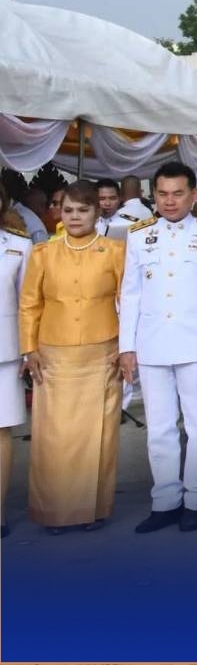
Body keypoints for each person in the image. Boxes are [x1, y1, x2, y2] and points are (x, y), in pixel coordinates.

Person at [119, 162, 197, 533]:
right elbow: (130, 295)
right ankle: (165, 500)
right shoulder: (138, 236)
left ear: (193, 194)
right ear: (155, 195)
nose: (169, 201)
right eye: (163, 194)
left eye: (177, 193)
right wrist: (127, 347)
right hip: (151, 344)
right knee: (160, 428)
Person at [17, 181, 124, 534]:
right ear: (58, 213)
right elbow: (30, 304)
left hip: (102, 352)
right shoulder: (43, 254)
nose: (75, 217)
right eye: (68, 210)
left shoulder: (114, 252)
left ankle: (94, 509)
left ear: (97, 212)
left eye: (83, 210)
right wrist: (28, 349)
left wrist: (125, 349)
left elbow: (129, 303)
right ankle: (54, 512)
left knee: (99, 434)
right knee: (55, 436)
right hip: (53, 354)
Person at [0, 205, 31, 539]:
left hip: (4, 352)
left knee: (1, 433)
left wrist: (29, 348)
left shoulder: (18, 246)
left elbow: (28, 303)